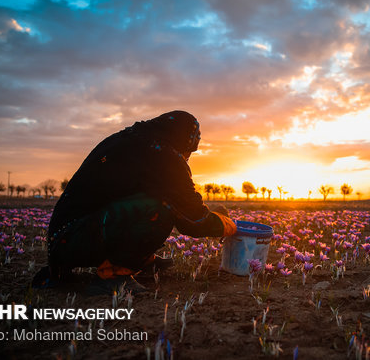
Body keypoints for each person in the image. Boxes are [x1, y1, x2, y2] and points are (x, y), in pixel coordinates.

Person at [32, 110, 236, 293]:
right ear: (183, 140)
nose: (188, 155)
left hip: (65, 239)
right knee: (161, 209)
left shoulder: (134, 141)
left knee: (162, 202)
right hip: (71, 240)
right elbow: (193, 219)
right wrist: (227, 225)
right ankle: (113, 274)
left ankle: (137, 260)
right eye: (190, 149)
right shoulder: (160, 152)